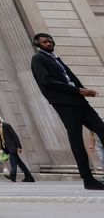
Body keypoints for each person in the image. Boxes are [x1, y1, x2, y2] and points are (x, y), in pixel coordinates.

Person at [31, 32, 104, 190]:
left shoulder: (55, 59)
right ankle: (88, 180)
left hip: (80, 102)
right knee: (77, 141)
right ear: (38, 44)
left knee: (102, 130)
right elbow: (47, 82)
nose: (49, 43)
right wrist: (78, 91)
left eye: (50, 41)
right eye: (44, 42)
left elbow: (69, 77)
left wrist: (84, 90)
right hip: (65, 104)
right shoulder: (38, 59)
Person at [0, 114, 34, 182]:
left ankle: (12, 176)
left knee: (12, 162)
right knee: (20, 163)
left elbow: (14, 135)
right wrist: (1, 148)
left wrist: (19, 146)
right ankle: (29, 177)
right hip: (8, 148)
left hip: (12, 147)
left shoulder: (6, 125)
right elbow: (2, 139)